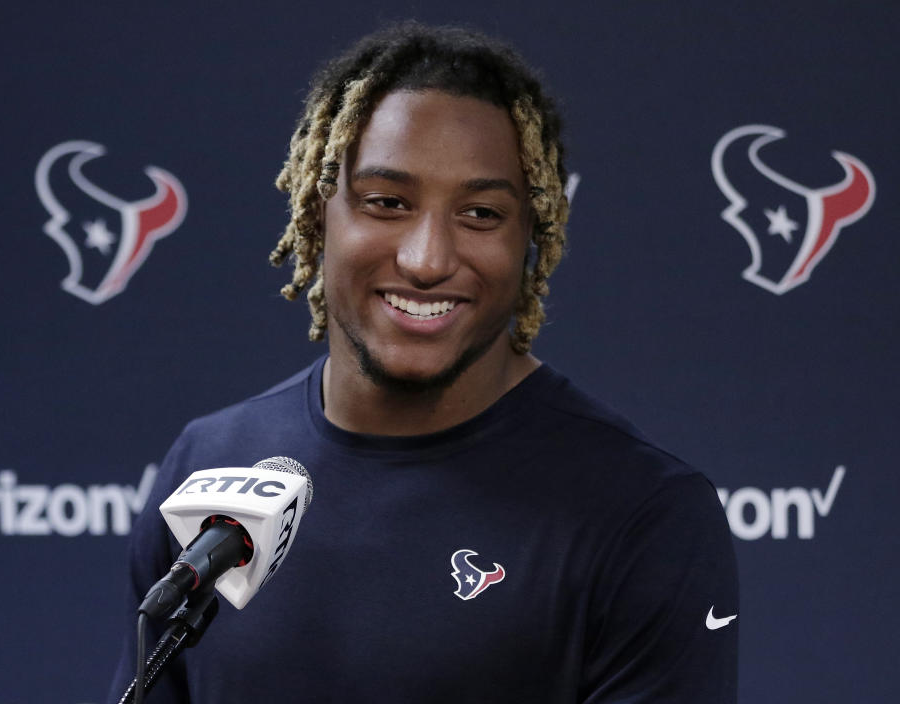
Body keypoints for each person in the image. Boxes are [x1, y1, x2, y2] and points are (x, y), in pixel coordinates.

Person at [108, 22, 738, 703]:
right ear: (320, 213)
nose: (427, 259)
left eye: (479, 213)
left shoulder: (642, 513)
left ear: (534, 234)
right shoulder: (209, 465)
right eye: (387, 203)